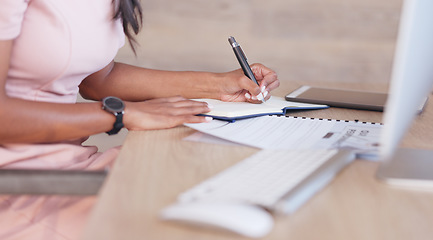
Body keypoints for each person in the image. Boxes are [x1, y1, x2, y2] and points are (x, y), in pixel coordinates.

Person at [0, 0, 279, 239]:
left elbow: (98, 79)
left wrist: (218, 84)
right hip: (17, 185)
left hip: (70, 167)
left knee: (218, 180)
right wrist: (119, 114)